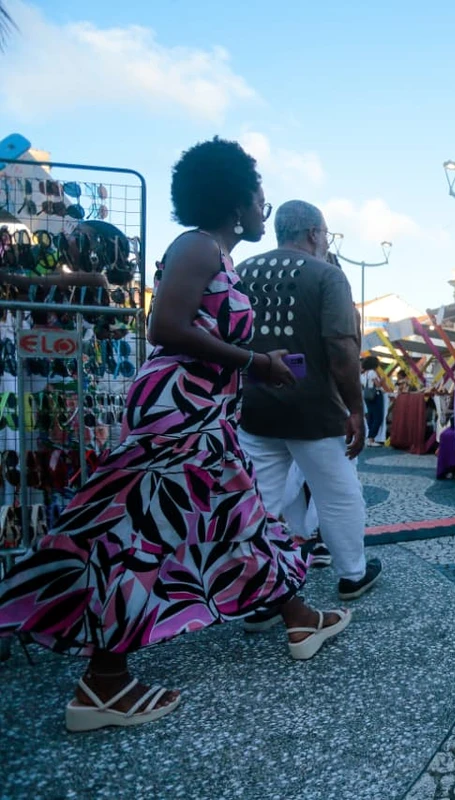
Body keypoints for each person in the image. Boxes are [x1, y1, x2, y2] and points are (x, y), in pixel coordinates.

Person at [0, 137, 350, 731]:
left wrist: (254, 361)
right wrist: (254, 362)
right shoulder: (196, 246)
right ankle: (103, 682)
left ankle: (297, 616)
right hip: (180, 407)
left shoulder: (215, 253)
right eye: (260, 195)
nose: (265, 207)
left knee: (237, 515)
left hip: (199, 408)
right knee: (141, 529)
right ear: (236, 201)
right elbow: (165, 325)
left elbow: (196, 326)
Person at [236, 200, 382, 607]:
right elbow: (341, 346)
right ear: (315, 234)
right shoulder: (327, 276)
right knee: (337, 492)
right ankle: (352, 573)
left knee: (260, 496)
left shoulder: (242, 270)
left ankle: (261, 590)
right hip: (313, 409)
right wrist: (355, 408)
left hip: (255, 406)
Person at [361, 355, 385, 446]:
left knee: (370, 416)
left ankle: (369, 438)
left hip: (367, 396)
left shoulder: (363, 374)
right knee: (378, 417)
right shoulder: (372, 373)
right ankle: (371, 438)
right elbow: (378, 385)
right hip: (376, 395)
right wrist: (382, 380)